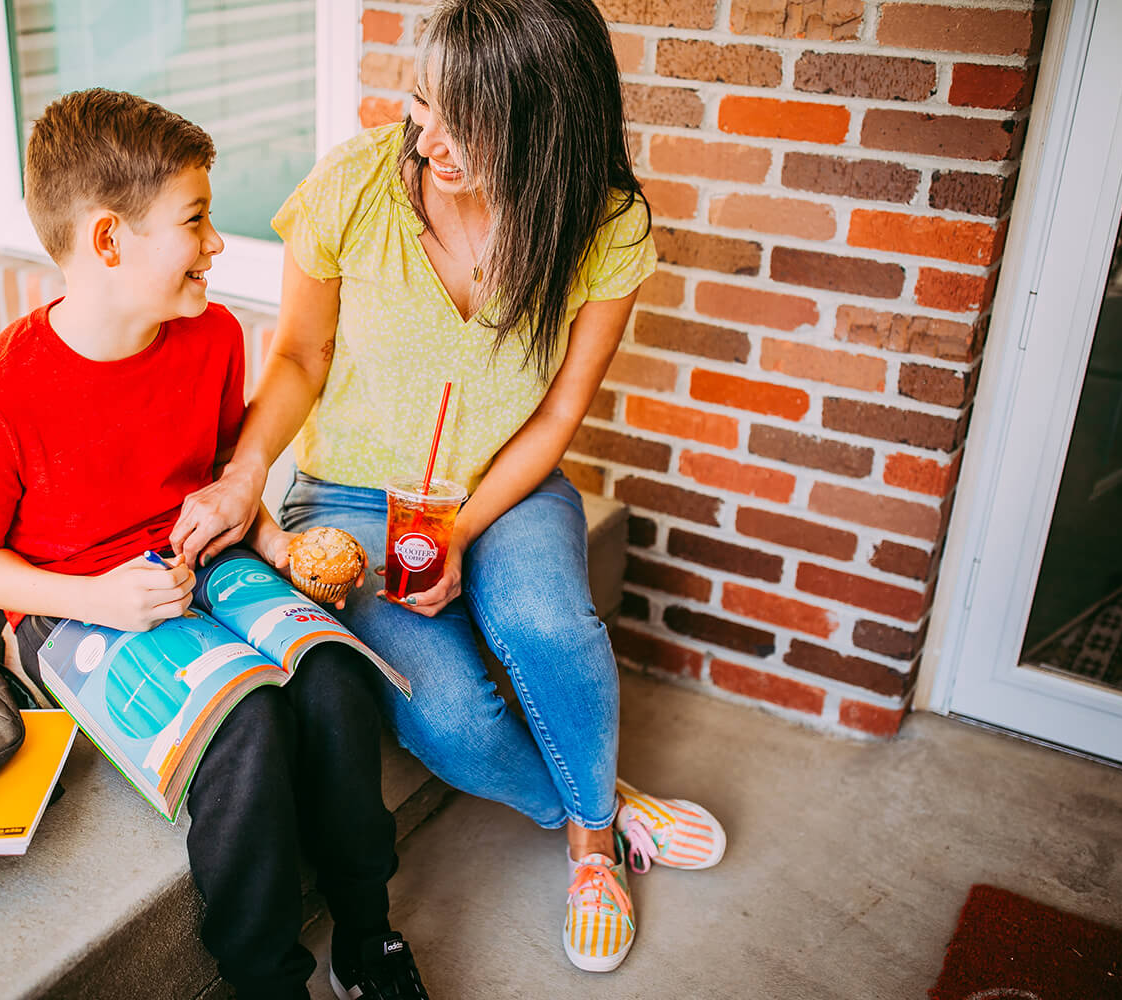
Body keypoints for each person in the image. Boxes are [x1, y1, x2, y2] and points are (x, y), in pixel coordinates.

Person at [169, 0, 727, 974]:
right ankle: (601, 801)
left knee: (550, 625)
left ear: (538, 123)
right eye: (419, 104)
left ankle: (595, 855)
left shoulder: (605, 225)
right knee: (455, 720)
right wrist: (245, 472)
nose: (423, 139)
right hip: (347, 493)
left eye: (455, 118)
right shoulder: (357, 184)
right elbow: (298, 354)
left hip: (504, 485)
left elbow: (555, 419)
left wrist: (461, 529)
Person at [0, 89, 429, 1000]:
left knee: (331, 672)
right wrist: (96, 601)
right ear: (110, 240)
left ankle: (369, 933)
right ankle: (265, 978)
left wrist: (264, 532)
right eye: (195, 220)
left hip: (204, 562)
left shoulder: (212, 338)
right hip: (77, 603)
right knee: (243, 721)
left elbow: (210, 470)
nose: (216, 244)